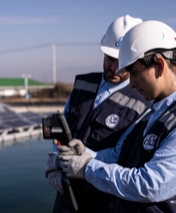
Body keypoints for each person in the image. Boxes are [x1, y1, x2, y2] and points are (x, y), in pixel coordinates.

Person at [57, 20, 176, 213]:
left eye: (134, 73)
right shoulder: (156, 111)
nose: (130, 84)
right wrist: (83, 156)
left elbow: (151, 185)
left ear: (159, 65)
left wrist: (88, 168)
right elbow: (120, 154)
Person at [45, 15, 151, 213]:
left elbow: (122, 154)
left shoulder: (143, 103)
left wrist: (83, 158)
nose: (114, 67)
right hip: (65, 197)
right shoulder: (82, 84)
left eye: (121, 62)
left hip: (101, 201)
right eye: (110, 58)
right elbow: (61, 127)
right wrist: (55, 161)